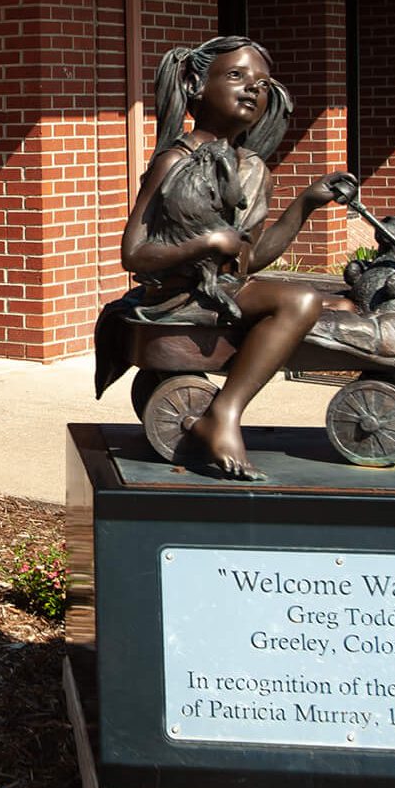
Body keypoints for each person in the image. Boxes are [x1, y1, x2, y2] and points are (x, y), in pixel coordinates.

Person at [115, 35, 351, 481]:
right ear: (197, 85)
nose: (252, 89)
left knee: (333, 302)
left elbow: (248, 260)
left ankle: (222, 412)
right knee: (300, 301)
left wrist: (305, 203)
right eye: (237, 76)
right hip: (179, 296)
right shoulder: (175, 161)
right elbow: (134, 253)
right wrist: (204, 244)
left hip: (223, 291)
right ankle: (224, 413)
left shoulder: (253, 169)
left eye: (262, 84)